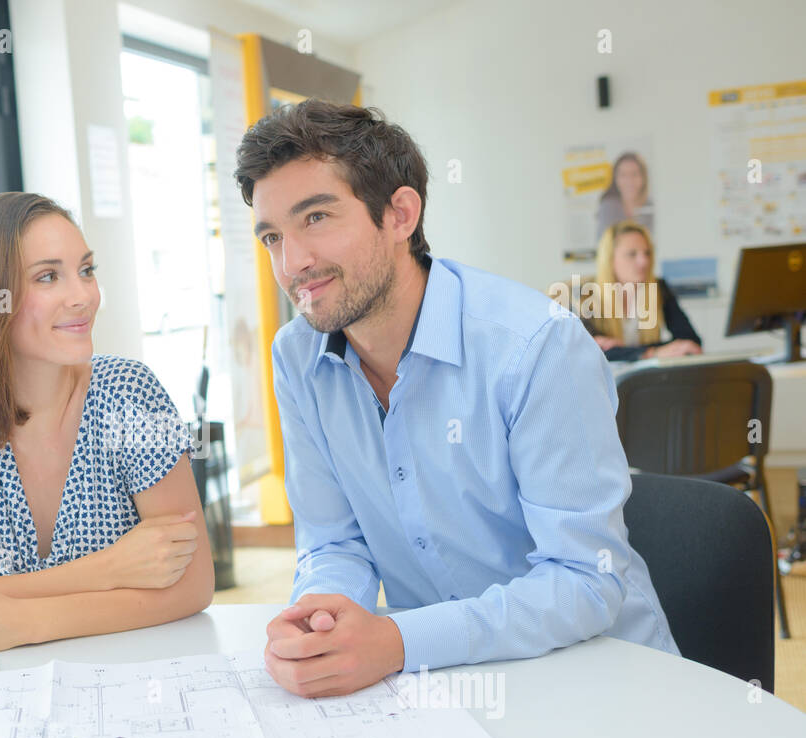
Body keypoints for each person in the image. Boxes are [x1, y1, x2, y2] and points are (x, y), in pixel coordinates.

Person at [233, 99, 679, 698]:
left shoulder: (535, 346)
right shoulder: (297, 358)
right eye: (271, 236)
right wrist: (322, 620)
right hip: (450, 685)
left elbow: (583, 582)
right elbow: (333, 541)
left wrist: (397, 642)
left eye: (315, 218)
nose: (293, 264)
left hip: (602, 681)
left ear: (400, 214)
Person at [0, 192, 214, 652]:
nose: (83, 296)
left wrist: (24, 621)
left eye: (86, 271)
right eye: (48, 277)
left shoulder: (132, 393)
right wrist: (109, 569)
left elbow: (193, 584)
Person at [583, 220, 702, 361]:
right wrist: (653, 353)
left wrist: (629, 351)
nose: (644, 261)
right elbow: (591, 352)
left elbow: (690, 342)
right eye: (632, 254)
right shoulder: (586, 295)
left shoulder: (659, 288)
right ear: (610, 260)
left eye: (647, 253)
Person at [595, 151, 654, 240]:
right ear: (615, 179)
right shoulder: (608, 207)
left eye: (634, 174)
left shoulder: (651, 206)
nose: (629, 180)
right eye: (623, 175)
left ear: (643, 177)